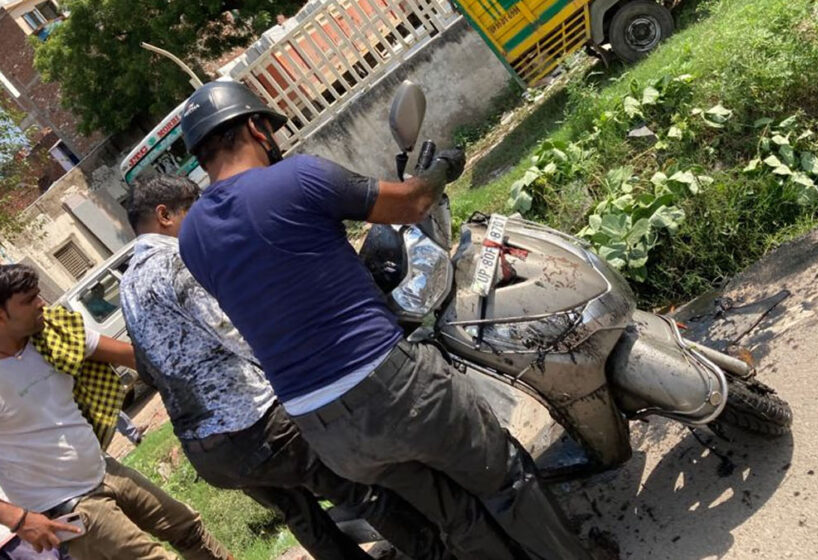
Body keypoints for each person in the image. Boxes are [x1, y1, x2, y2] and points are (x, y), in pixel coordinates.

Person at [177, 81, 591, 560]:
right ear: (254, 127)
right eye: (268, 129)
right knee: (504, 478)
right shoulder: (296, 177)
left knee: (454, 515)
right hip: (392, 388)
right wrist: (441, 170)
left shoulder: (191, 239)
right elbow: (411, 202)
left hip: (323, 427)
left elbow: (272, 284)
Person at [120, 174, 450, 560]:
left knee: (300, 513)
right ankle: (440, 555)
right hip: (256, 425)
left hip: (208, 451)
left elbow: (147, 365)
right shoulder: (179, 260)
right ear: (164, 215)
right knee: (362, 487)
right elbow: (235, 332)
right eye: (193, 213)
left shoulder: (129, 285)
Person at [0, 264, 232, 560]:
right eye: (29, 300)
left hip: (104, 469)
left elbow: (131, 356)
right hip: (66, 505)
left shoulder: (52, 336)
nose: (41, 303)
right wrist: (19, 520)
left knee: (188, 528)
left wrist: (201, 374)